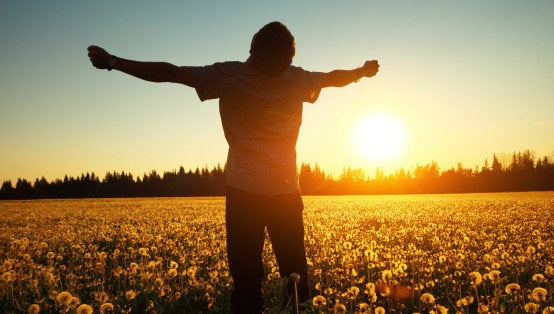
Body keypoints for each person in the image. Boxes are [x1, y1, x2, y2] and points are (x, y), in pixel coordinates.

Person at [87, 21, 379, 313]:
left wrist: (115, 62)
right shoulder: (297, 78)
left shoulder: (230, 74)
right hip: (285, 193)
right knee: (294, 276)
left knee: (247, 280)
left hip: (244, 193)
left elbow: (170, 72)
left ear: (253, 51)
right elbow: (332, 77)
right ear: (289, 56)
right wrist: (360, 74)